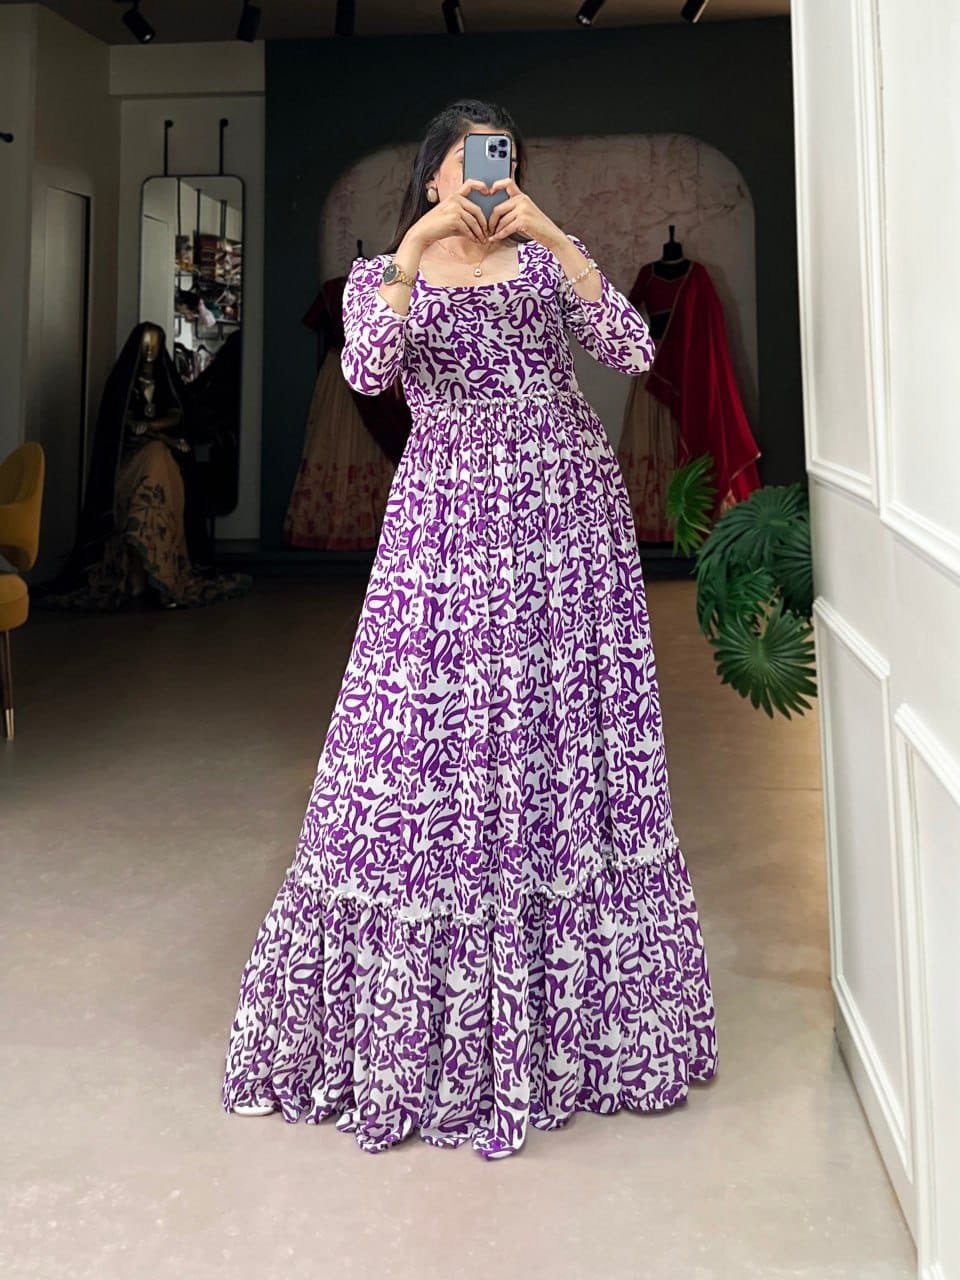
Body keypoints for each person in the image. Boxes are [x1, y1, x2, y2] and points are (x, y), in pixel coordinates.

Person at [222, 99, 718, 1159]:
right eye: (469, 164)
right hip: (445, 529)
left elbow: (633, 349)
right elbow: (367, 371)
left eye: (504, 163)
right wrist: (412, 248)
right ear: (434, 174)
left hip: (563, 523)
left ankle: (580, 1023)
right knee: (415, 747)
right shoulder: (386, 272)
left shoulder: (545, 261)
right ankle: (408, 1030)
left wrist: (554, 238)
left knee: (555, 739)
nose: (489, 180)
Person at [33, 322, 251, 611]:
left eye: (154, 344)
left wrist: (153, 430)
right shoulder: (123, 387)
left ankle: (154, 573)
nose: (150, 350)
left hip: (160, 458)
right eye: (145, 344)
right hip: (134, 461)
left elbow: (178, 413)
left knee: (158, 470)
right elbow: (118, 425)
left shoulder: (166, 384)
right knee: (149, 476)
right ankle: (139, 573)